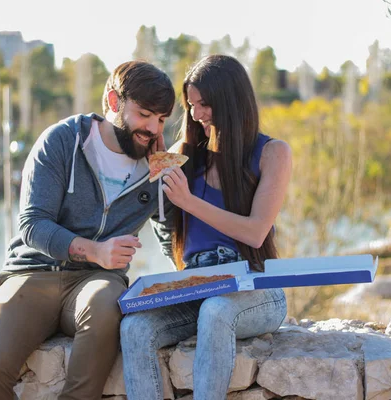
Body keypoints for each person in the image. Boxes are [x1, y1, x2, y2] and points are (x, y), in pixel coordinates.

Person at [0, 60, 175, 400]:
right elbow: (33, 224)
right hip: (32, 274)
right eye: (145, 114)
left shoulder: (157, 166)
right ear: (114, 102)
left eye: (162, 119)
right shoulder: (63, 140)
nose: (153, 129)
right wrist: (95, 250)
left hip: (98, 281)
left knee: (107, 302)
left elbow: (170, 239)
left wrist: (195, 281)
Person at [120, 54, 292, 400]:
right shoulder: (186, 154)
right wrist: (154, 167)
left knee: (216, 311)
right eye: (192, 105)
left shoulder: (272, 153)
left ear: (230, 100)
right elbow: (161, 224)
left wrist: (189, 201)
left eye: (205, 104)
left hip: (254, 288)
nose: (196, 114)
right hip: (198, 285)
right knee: (135, 327)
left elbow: (255, 231)